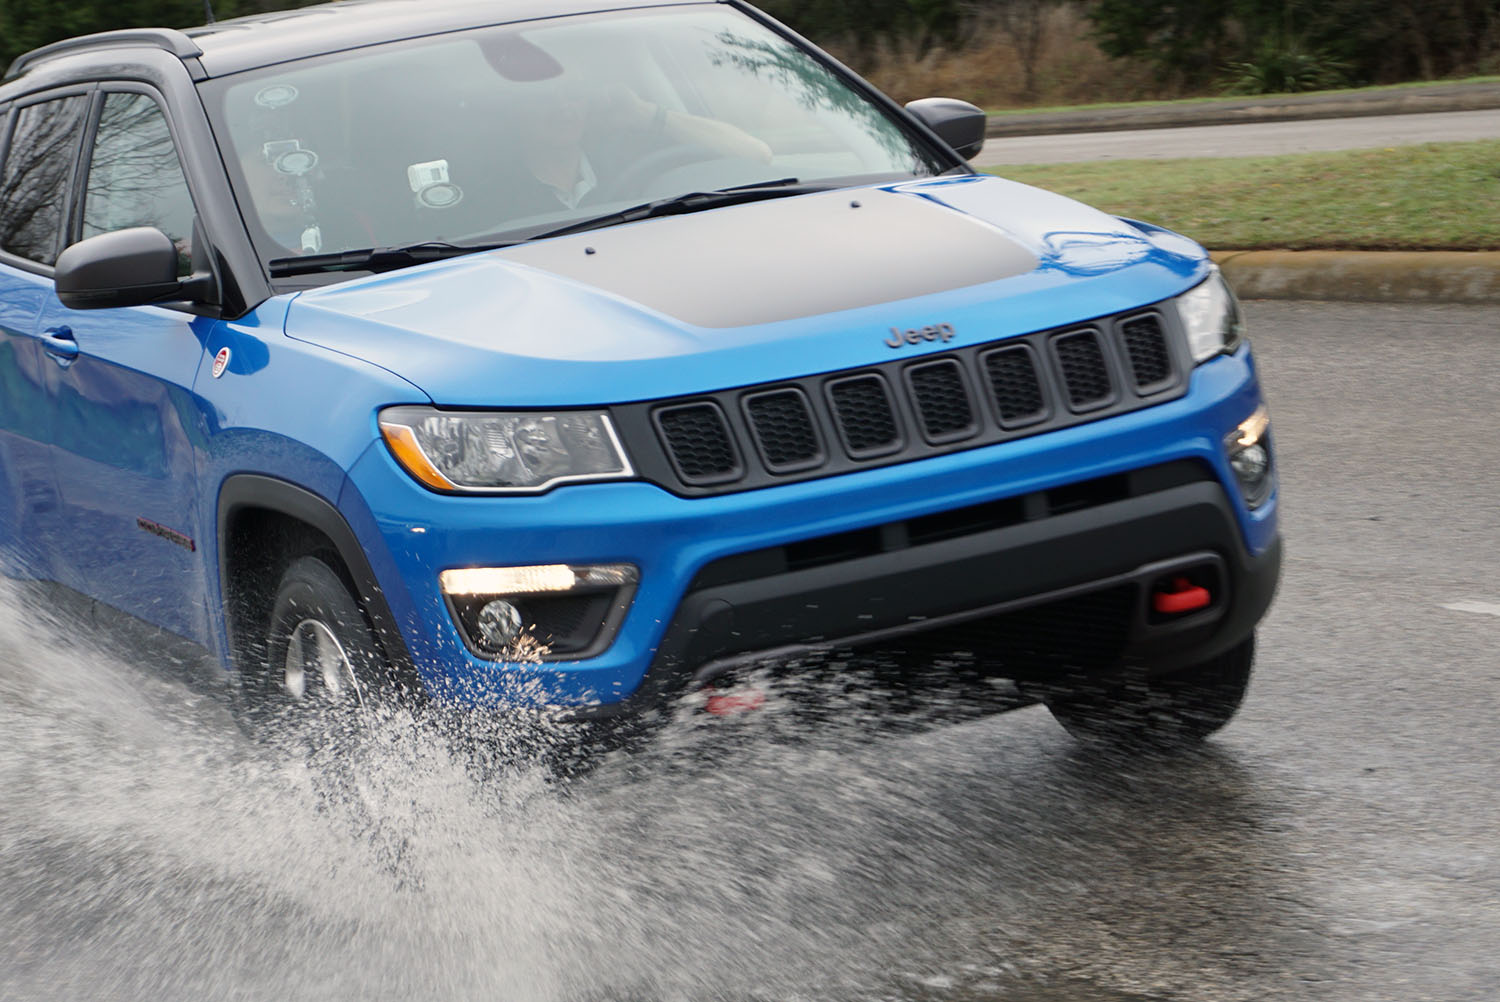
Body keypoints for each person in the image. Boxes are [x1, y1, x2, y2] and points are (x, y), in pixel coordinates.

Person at [508, 77, 773, 216]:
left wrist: (643, 113)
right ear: (515, 111)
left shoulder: (634, 157)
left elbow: (756, 154)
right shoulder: (488, 191)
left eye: (573, 94)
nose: (565, 109)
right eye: (543, 98)